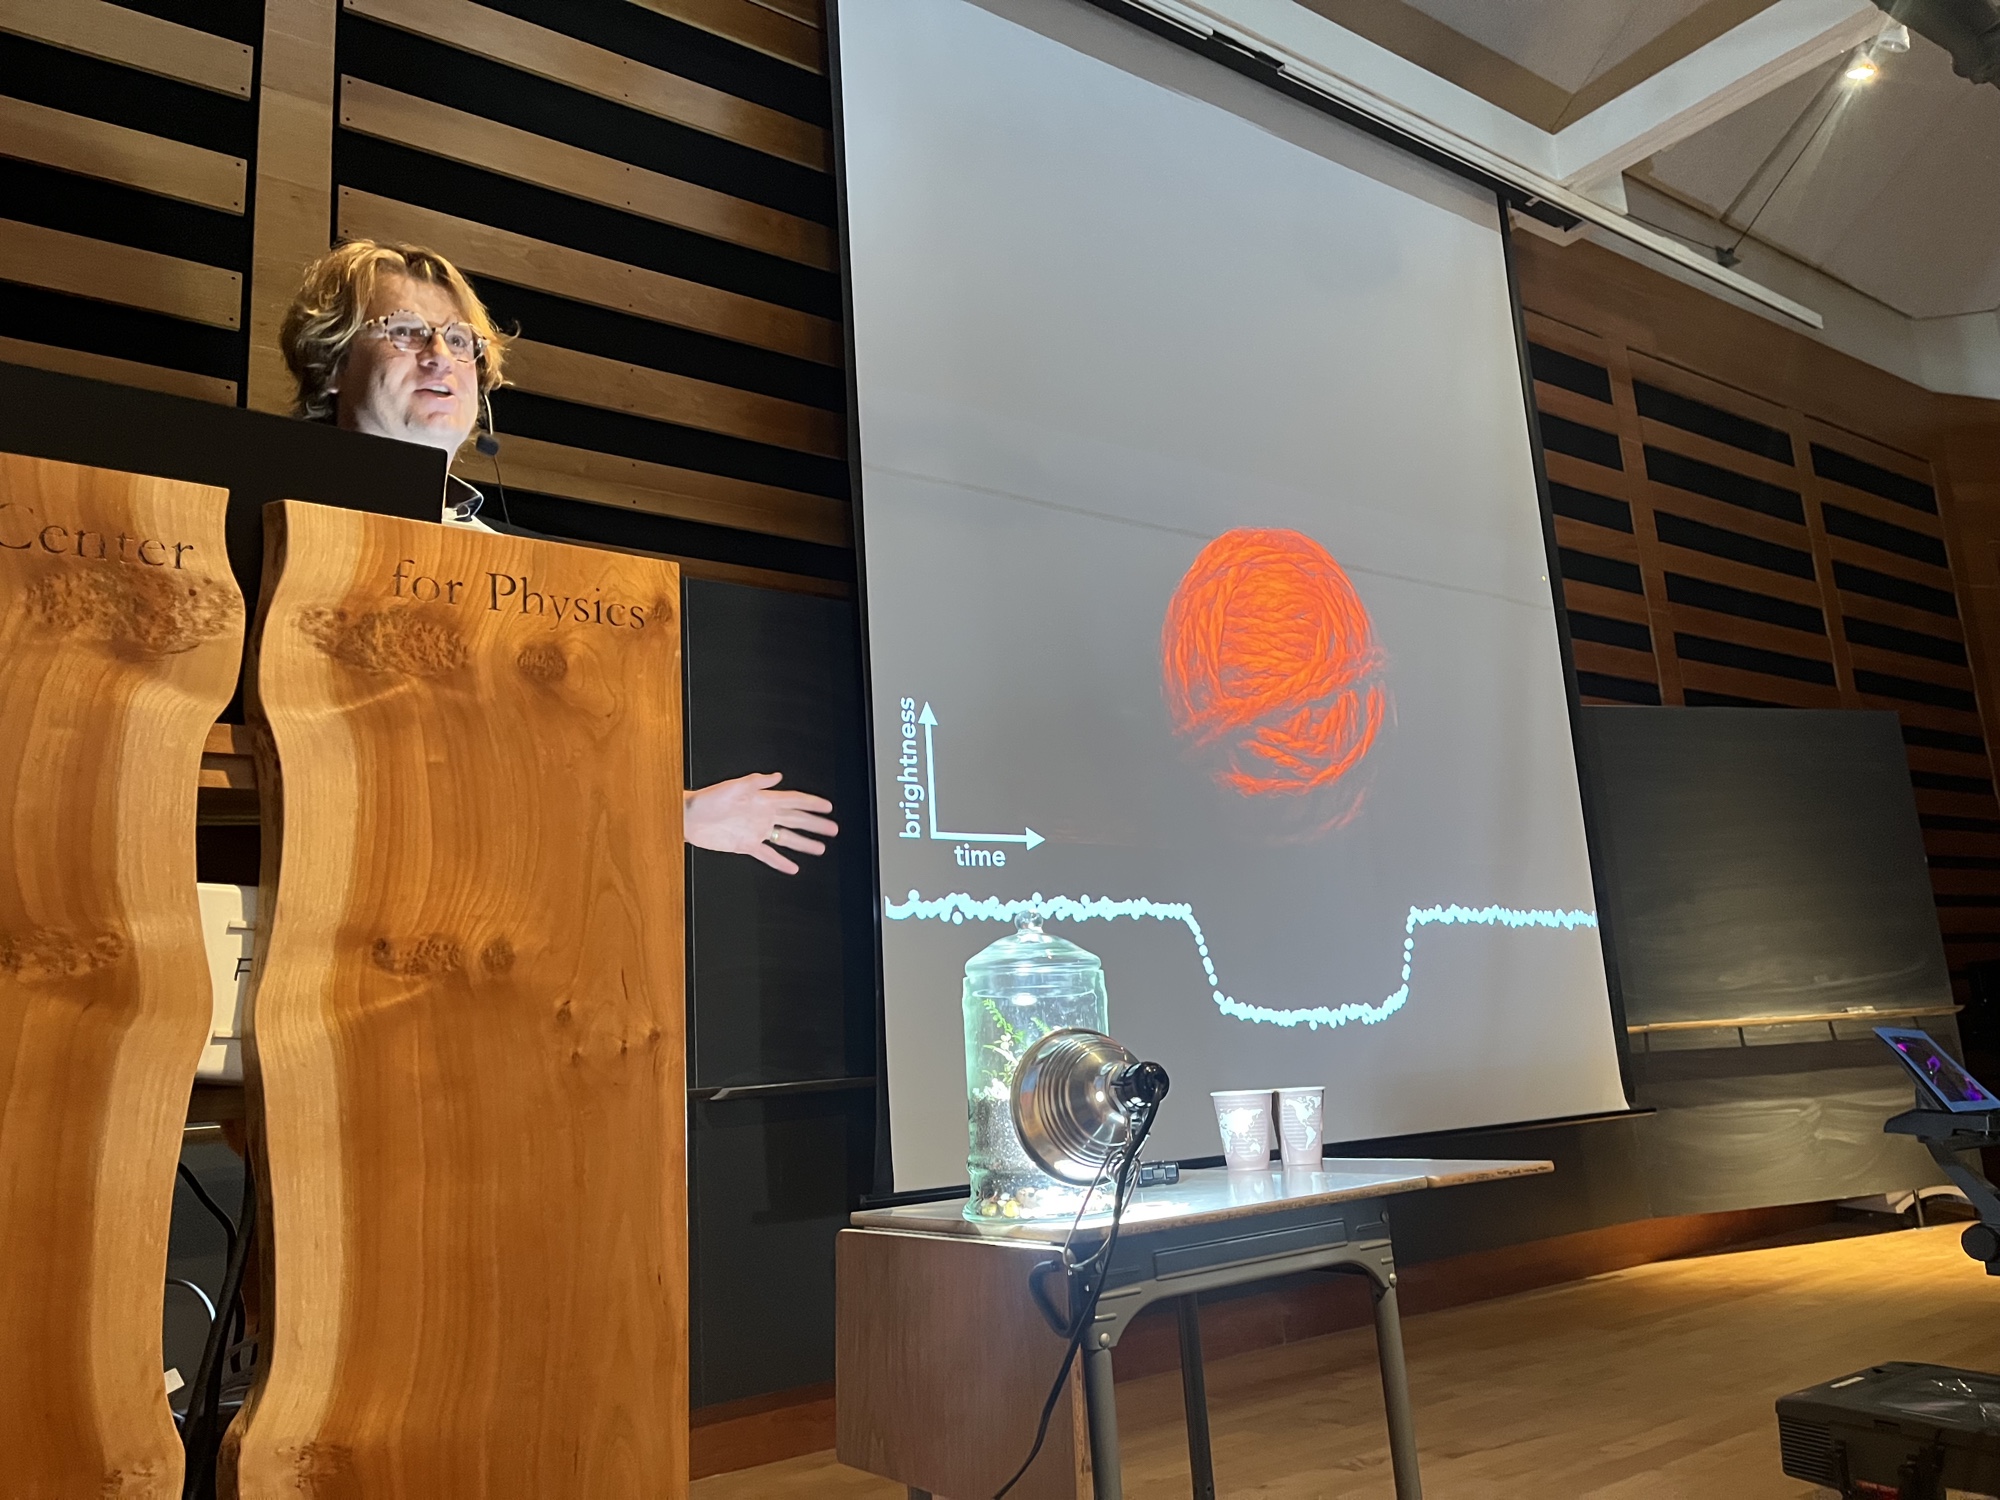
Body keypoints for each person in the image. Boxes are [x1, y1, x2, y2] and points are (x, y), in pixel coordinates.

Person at [277, 238, 836, 874]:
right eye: (405, 331)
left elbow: (537, 769)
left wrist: (672, 810)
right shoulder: (272, 527)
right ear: (331, 364)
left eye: (459, 341)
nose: (440, 356)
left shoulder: (531, 577)